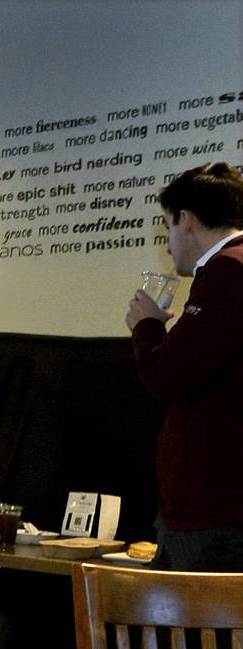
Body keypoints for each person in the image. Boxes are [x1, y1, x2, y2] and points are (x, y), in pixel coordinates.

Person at [126, 160, 243, 572]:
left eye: (168, 228)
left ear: (186, 220)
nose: (170, 243)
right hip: (222, 512)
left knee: (186, 635)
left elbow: (168, 375)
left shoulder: (226, 273)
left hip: (214, 518)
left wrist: (147, 327)